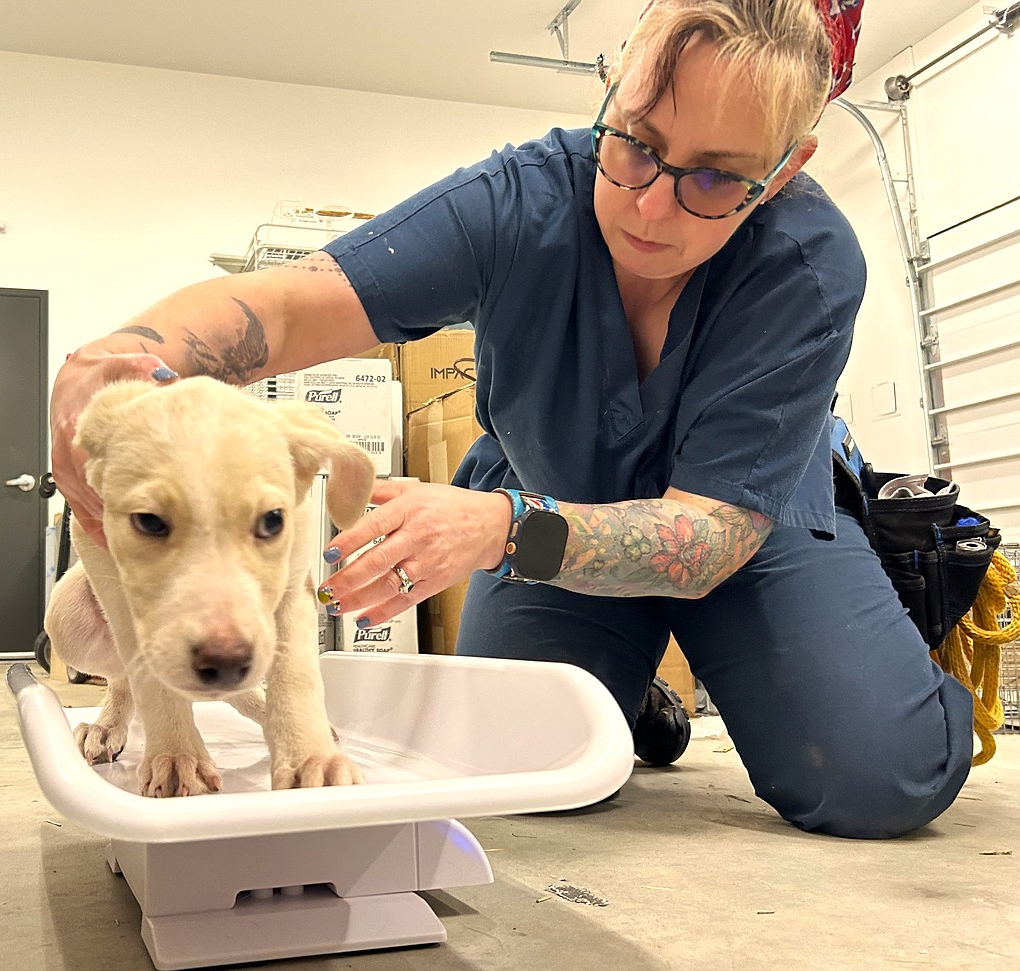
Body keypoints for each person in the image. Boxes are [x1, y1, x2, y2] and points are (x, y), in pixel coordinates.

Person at [50, 0, 973, 839]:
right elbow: (289, 306)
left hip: (740, 522)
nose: (651, 204)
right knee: (525, 775)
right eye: (637, 144)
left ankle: (845, 635)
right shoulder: (521, 201)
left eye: (716, 180)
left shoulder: (810, 265)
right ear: (610, 89)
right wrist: (117, 357)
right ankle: (638, 693)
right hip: (543, 493)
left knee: (873, 779)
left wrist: (498, 529)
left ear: (784, 171)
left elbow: (713, 533)